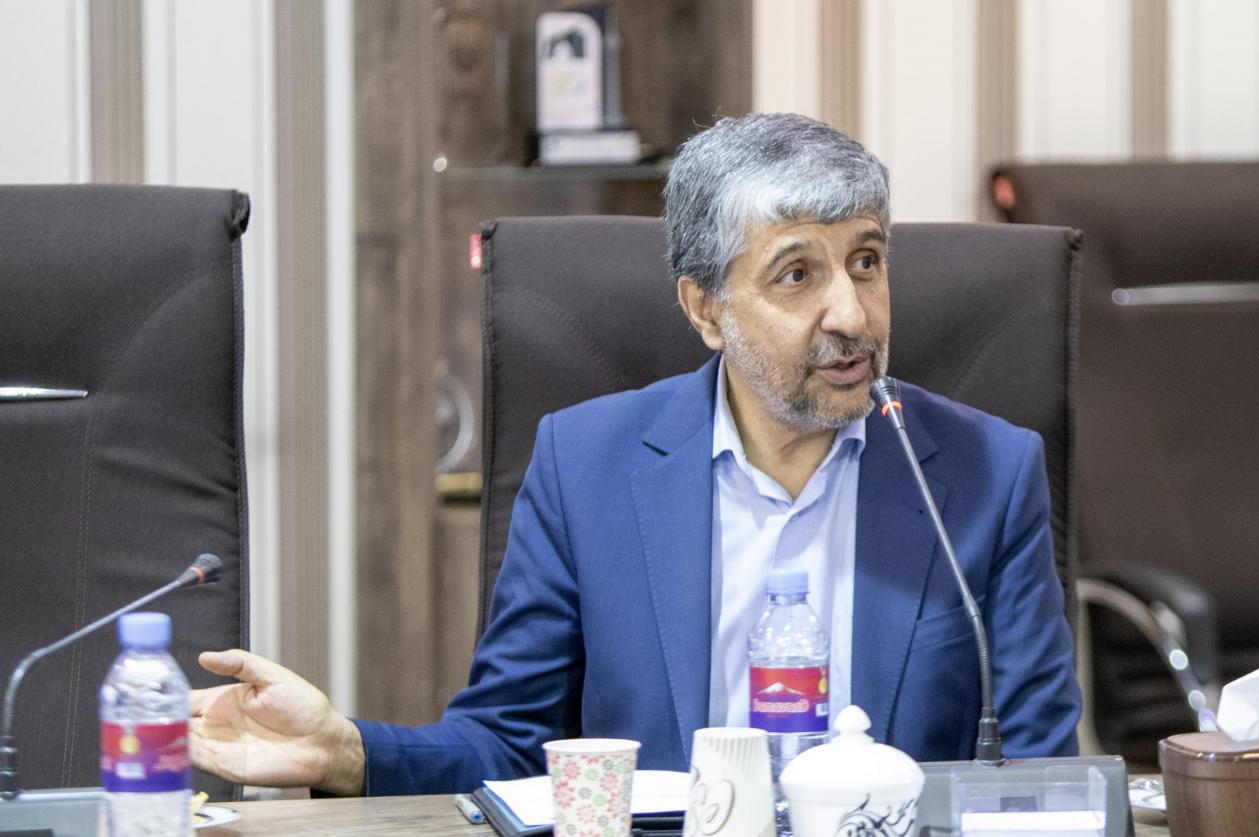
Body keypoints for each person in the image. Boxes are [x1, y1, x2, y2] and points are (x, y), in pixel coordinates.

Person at [190, 113, 1081, 796]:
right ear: (705, 309)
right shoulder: (584, 467)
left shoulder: (986, 474)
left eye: (867, 261)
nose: (851, 313)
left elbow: (1042, 775)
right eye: (797, 274)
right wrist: (347, 749)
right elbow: (507, 743)